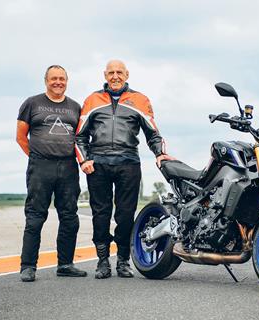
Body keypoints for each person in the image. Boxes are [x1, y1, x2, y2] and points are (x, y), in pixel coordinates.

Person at [76, 60, 174, 279]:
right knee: (100, 214)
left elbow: (153, 134)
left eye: (119, 72)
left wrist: (160, 153)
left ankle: (122, 260)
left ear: (127, 74)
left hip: (128, 162)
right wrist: (84, 160)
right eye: (111, 73)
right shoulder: (92, 100)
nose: (115, 76)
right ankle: (102, 261)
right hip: (98, 163)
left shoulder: (140, 100)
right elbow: (80, 135)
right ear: (105, 75)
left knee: (125, 214)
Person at [16, 65, 87, 282]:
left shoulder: (75, 107)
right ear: (46, 80)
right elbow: (21, 137)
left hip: (68, 167)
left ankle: (65, 264)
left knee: (69, 217)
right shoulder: (32, 103)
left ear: (67, 81)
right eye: (53, 78)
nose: (58, 82)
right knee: (36, 217)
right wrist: (37, 157)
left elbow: (81, 138)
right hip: (40, 167)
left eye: (62, 78)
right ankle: (28, 266)